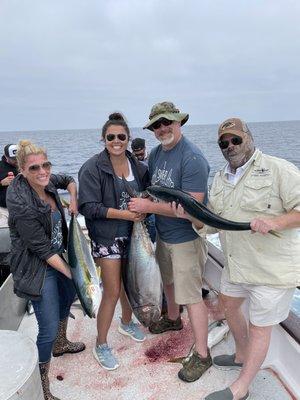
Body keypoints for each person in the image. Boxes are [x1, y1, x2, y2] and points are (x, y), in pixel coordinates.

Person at [173, 118, 300, 400]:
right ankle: (241, 354)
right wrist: (189, 216)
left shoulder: (279, 169)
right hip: (237, 265)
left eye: (235, 140)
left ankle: (241, 387)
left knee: (259, 326)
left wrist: (275, 223)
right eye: (224, 143)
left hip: (272, 271)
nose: (230, 146)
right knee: (228, 305)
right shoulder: (220, 178)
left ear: (248, 138)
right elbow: (215, 223)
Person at [128, 101, 211, 382]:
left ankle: (202, 354)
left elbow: (194, 208)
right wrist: (144, 203)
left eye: (167, 123)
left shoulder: (192, 158)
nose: (162, 128)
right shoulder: (155, 154)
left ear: (179, 123)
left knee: (192, 297)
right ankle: (173, 319)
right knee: (167, 282)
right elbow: (154, 192)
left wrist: (148, 207)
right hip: (163, 235)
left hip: (186, 239)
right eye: (156, 125)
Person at [6, 140, 85, 400]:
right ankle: (42, 385)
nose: (42, 171)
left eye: (46, 165)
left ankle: (61, 344)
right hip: (38, 268)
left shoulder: (47, 181)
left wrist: (73, 200)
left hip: (59, 257)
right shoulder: (20, 202)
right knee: (47, 327)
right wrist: (75, 273)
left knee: (66, 300)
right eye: (34, 168)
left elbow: (69, 180)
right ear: (22, 171)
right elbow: (42, 249)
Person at [78, 112, 149, 371]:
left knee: (130, 285)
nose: (116, 141)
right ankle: (101, 344)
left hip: (134, 235)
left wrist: (146, 210)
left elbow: (148, 196)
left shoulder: (139, 167)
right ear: (103, 139)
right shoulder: (92, 167)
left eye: (121, 136)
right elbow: (89, 207)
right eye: (111, 137)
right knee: (113, 290)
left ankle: (127, 322)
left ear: (129, 139)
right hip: (107, 237)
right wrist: (126, 215)